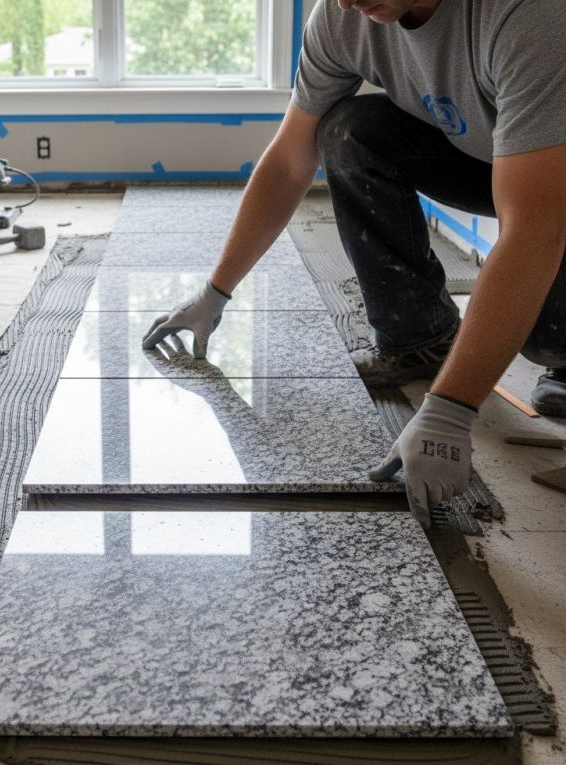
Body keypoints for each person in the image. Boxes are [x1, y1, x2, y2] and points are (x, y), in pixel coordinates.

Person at [142, 0, 566, 529]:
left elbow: (534, 229)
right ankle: (419, 340)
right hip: (496, 153)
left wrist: (451, 411)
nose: (344, 0)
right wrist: (215, 291)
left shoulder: (528, 14)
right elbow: (290, 159)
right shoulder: (344, 17)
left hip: (556, 163)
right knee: (347, 131)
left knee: (547, 336)